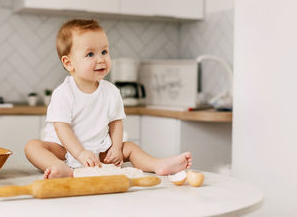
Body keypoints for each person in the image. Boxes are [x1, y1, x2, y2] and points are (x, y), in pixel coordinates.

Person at [24, 19, 192, 179]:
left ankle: (157, 165)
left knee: (130, 147)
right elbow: (62, 129)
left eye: (104, 51)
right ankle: (59, 168)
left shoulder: (111, 92)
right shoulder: (64, 93)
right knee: (32, 146)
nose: (101, 59)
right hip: (63, 151)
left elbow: (116, 123)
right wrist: (80, 153)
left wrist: (117, 148)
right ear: (69, 63)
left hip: (98, 151)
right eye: (90, 54)